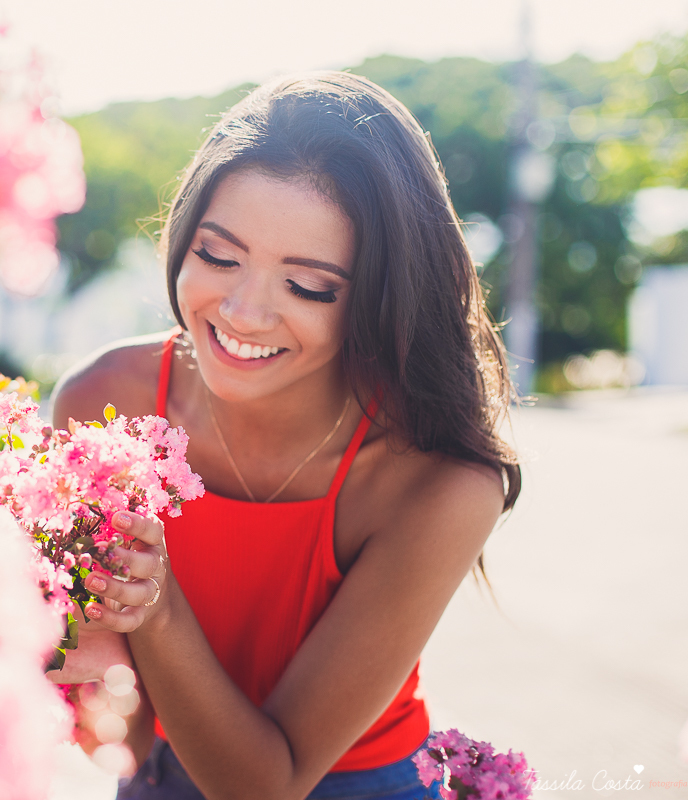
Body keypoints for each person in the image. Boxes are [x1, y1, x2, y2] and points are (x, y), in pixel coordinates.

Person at [46, 71, 521, 800]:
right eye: (218, 255)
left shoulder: (437, 480)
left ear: (378, 297)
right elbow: (128, 731)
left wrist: (155, 606)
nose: (243, 312)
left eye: (308, 287)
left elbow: (267, 784)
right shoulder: (102, 401)